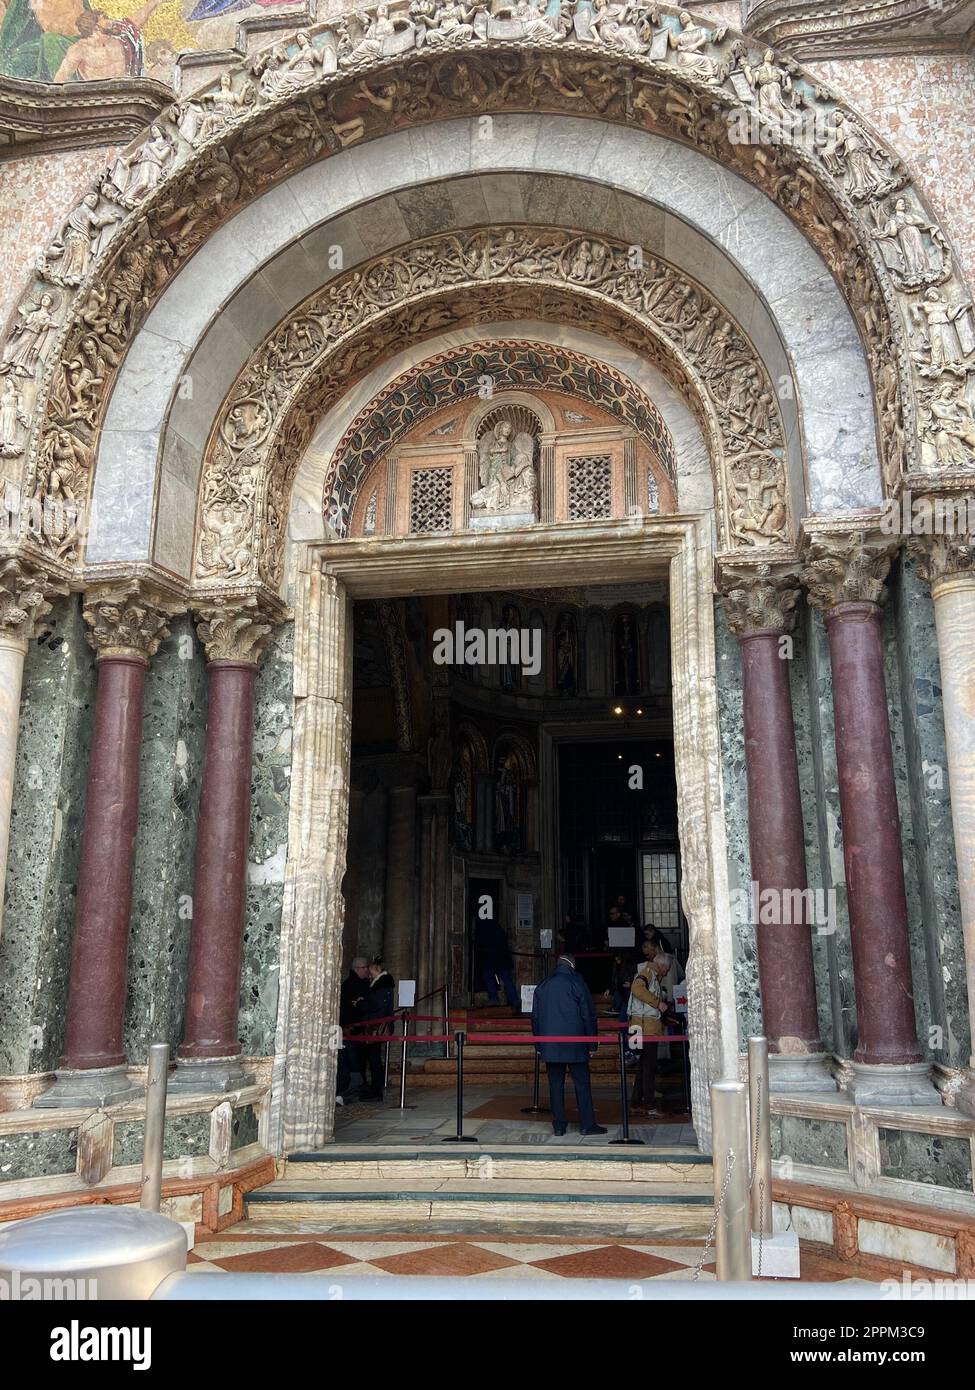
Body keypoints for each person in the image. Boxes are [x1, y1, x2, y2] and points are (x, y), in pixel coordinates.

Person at [531, 953, 607, 1137]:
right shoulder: (577, 983)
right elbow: (588, 1015)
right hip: (576, 1044)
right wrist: (592, 1043)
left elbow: (535, 1018)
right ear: (572, 965)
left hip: (550, 1044)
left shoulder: (543, 985)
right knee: (582, 1084)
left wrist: (539, 1044)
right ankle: (587, 1124)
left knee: (555, 1086)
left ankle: (559, 1125)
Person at [628, 939, 669, 1116]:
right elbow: (636, 988)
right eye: (666, 969)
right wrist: (657, 1002)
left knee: (643, 1066)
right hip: (646, 1027)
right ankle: (650, 1105)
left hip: (641, 1025)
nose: (667, 973)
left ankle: (636, 1102)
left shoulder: (652, 975)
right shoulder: (648, 974)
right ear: (661, 966)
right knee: (648, 1067)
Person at [359, 955, 396, 1101]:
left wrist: (361, 1003)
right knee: (373, 1057)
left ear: (376, 969)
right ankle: (375, 1087)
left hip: (375, 1024)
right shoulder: (381, 983)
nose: (369, 973)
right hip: (374, 1023)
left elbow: (376, 1005)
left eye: (370, 970)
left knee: (374, 1058)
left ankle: (376, 1090)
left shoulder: (382, 984)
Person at [335, 956, 370, 1102]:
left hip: (357, 1028)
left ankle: (357, 1087)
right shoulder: (351, 985)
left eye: (367, 967)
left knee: (358, 1060)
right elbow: (347, 1007)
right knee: (353, 1061)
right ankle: (351, 1089)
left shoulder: (360, 984)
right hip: (351, 1028)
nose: (366, 970)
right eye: (364, 968)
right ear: (356, 969)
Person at [474, 915, 519, 1010]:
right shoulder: (497, 928)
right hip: (501, 957)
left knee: (488, 974)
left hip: (494, 957)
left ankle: (495, 998)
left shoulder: (485, 928)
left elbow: (482, 942)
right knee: (506, 978)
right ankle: (514, 1001)